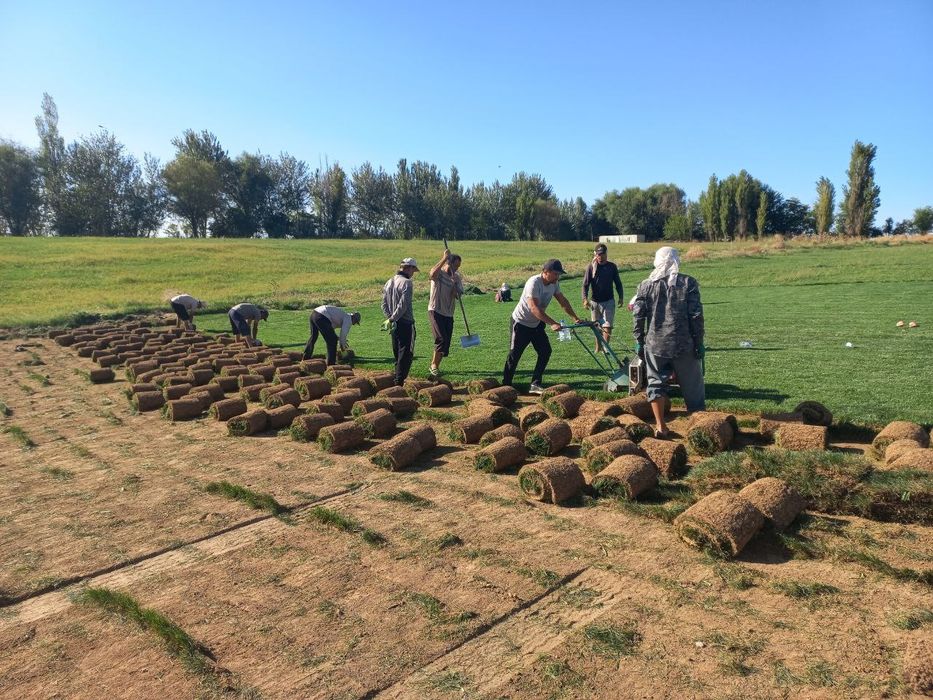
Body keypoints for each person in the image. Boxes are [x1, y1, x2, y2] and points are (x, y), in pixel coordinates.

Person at [632, 246, 705, 438]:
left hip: (655, 343)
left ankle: (660, 426)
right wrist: (699, 342)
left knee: (655, 384)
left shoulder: (645, 285)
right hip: (683, 343)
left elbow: (638, 316)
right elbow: (696, 315)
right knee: (692, 386)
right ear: (676, 261)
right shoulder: (688, 283)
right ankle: (697, 430)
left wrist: (639, 340)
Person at [503, 259, 583, 394]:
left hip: (536, 323)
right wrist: (552, 323)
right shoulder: (533, 283)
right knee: (514, 355)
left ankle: (535, 384)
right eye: (555, 274)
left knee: (545, 351)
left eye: (559, 275)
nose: (557, 277)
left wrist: (575, 318)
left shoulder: (554, 283)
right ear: (546, 272)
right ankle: (505, 386)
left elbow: (562, 301)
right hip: (521, 323)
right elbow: (533, 308)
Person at [381, 257, 419, 386]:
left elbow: (383, 304)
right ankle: (399, 381)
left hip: (394, 323)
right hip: (405, 322)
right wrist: (393, 318)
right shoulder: (407, 283)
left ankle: (397, 378)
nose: (413, 273)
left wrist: (390, 318)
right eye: (413, 270)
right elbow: (403, 305)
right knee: (406, 352)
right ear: (409, 268)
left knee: (397, 352)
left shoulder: (389, 282)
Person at [582, 243, 624, 353]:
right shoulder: (591, 267)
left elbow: (618, 283)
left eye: (603, 254)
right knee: (596, 326)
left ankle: (606, 347)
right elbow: (585, 284)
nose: (601, 256)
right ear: (595, 254)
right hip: (595, 302)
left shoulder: (612, 267)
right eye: (599, 254)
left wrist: (621, 297)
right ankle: (598, 347)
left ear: (606, 254)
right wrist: (585, 299)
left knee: (608, 325)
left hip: (609, 301)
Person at [427, 249, 463, 378]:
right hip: (435, 310)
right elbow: (431, 274)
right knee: (441, 339)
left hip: (449, 313)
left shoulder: (457, 277)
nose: (456, 268)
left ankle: (436, 365)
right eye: (454, 265)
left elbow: (457, 295)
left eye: (458, 267)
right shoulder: (440, 273)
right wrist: (443, 258)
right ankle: (434, 366)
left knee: (445, 343)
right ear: (448, 262)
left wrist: (454, 284)